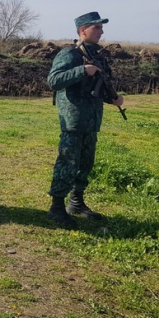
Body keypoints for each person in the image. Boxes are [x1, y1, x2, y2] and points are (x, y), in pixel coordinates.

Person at [46, 12, 123, 229]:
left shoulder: (97, 55)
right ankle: (56, 208)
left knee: (85, 163)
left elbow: (101, 86)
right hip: (73, 120)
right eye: (97, 28)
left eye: (101, 28)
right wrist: (82, 70)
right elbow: (53, 80)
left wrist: (114, 99)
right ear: (83, 30)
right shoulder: (69, 54)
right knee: (67, 162)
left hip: (91, 121)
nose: (101, 31)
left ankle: (76, 203)